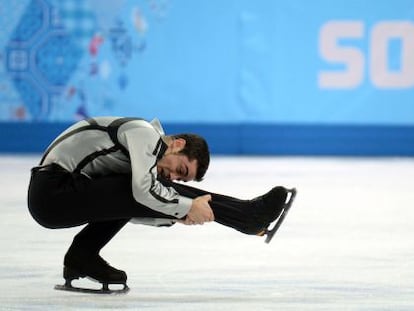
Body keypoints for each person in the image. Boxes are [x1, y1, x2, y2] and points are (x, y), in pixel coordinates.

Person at [27, 116, 295, 292]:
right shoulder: (143, 133)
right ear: (177, 144)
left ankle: (81, 257)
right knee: (146, 186)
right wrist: (185, 207)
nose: (174, 176)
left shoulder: (143, 156)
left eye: (182, 176)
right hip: (52, 192)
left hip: (57, 194)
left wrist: (175, 216)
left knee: (145, 186)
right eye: (180, 168)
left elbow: (127, 206)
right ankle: (247, 215)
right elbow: (142, 192)